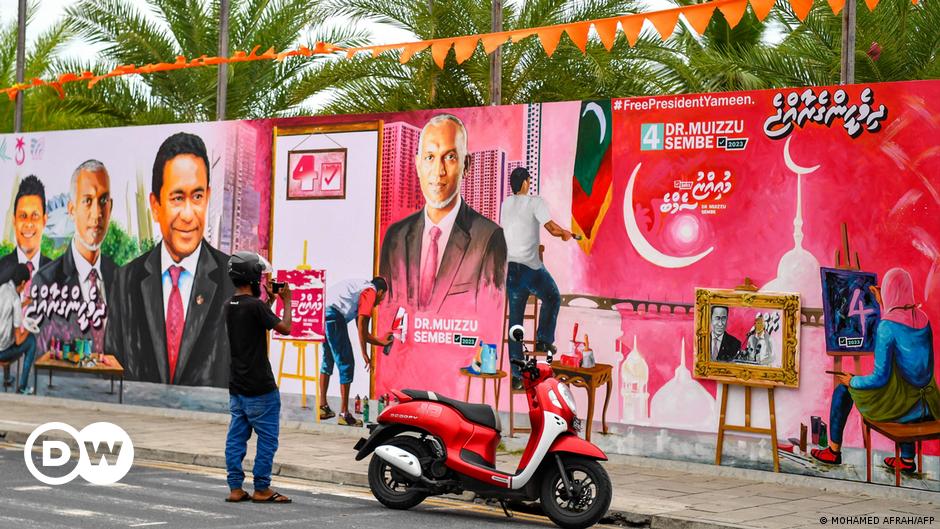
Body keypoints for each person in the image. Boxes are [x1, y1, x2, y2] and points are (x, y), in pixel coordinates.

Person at [105, 132, 234, 387]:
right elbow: (113, 369)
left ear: (207, 197)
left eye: (197, 197)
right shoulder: (126, 281)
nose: (188, 214)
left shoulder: (234, 281)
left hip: (210, 425)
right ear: (155, 206)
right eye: (177, 198)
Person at [811, 268, 939, 473]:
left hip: (902, 406)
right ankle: (907, 460)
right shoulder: (923, 319)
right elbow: (912, 363)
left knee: (843, 391)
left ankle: (833, 451)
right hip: (927, 404)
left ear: (888, 291)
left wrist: (852, 380)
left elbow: (880, 378)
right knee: (900, 386)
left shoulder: (886, 327)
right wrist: (884, 303)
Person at [379, 114, 507, 313]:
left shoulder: (488, 238)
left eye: (450, 157)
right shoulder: (396, 236)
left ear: (466, 165)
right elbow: (385, 315)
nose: (438, 171)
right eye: (430, 157)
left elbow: (490, 318)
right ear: (418, 164)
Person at [223, 251, 293, 504]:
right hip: (261, 388)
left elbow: (256, 317)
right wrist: (288, 301)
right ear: (252, 276)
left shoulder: (231, 305)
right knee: (267, 439)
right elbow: (285, 328)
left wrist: (270, 302)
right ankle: (262, 488)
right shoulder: (254, 307)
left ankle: (235, 487)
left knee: (236, 437)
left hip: (237, 387)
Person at [500, 167, 574, 389]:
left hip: (511, 269)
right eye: (529, 181)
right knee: (552, 297)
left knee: (515, 321)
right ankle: (543, 339)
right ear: (524, 183)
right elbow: (551, 228)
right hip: (531, 268)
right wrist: (565, 234)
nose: (530, 184)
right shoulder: (535, 202)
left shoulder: (506, 204)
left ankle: (516, 375)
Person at [33, 160, 116, 350]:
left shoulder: (121, 279)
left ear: (110, 207)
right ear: (71, 209)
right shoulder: (47, 282)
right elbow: (43, 361)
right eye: (87, 201)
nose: (97, 214)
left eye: (103, 200)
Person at [318, 277, 393, 426]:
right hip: (333, 316)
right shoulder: (370, 291)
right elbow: (361, 324)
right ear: (381, 292)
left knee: (328, 360)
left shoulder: (362, 289)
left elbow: (363, 331)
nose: (380, 302)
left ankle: (323, 407)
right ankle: (344, 414)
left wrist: (377, 343)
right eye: (382, 298)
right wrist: (365, 352)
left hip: (323, 314)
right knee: (346, 364)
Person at [0, 175, 50, 287]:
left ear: (44, 220)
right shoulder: (1, 269)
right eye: (23, 216)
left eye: (35, 215)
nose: (29, 223)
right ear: (14, 221)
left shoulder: (57, 273)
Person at [0, 264, 37, 394]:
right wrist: (29, 329)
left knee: (5, 333)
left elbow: (8, 310)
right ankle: (22, 387)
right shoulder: (15, 299)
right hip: (2, 353)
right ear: (22, 282)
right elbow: (19, 341)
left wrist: (25, 303)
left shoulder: (3, 288)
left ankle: (7, 378)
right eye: (26, 284)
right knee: (31, 341)